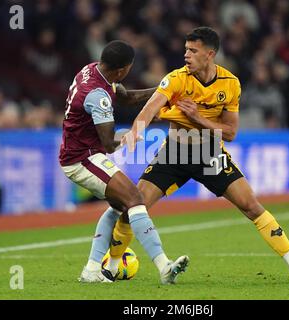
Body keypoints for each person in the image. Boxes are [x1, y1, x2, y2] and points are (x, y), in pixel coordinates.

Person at [106, 27, 289, 283]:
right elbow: (150, 108)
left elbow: (230, 132)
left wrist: (198, 117)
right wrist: (135, 131)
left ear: (209, 55)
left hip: (209, 153)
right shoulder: (176, 78)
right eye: (186, 49)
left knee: (251, 206)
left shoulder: (230, 84)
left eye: (192, 50)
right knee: (134, 206)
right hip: (174, 154)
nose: (186, 55)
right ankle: (111, 266)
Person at [58, 40, 189, 284]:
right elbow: (108, 143)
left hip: (82, 153)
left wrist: (164, 89)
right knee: (135, 198)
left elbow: (126, 98)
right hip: (82, 158)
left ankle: (91, 270)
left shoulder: (93, 70)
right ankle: (164, 267)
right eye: (129, 68)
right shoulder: (98, 96)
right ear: (121, 71)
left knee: (120, 206)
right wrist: (130, 137)